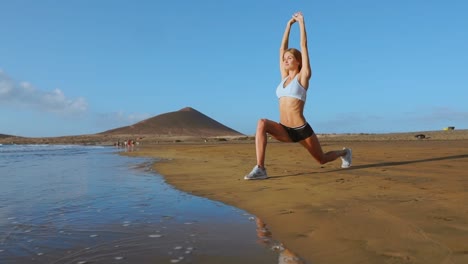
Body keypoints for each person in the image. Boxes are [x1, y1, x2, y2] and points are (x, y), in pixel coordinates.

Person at [244, 12, 352, 180]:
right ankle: (260, 168)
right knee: (262, 123)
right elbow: (281, 49)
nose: (285, 60)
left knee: (321, 159)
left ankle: (344, 152)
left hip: (301, 130)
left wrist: (301, 23)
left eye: (290, 58)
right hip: (284, 129)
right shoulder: (284, 78)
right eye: (285, 59)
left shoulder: (303, 77)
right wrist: (288, 26)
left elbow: (304, 45)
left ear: (298, 61)